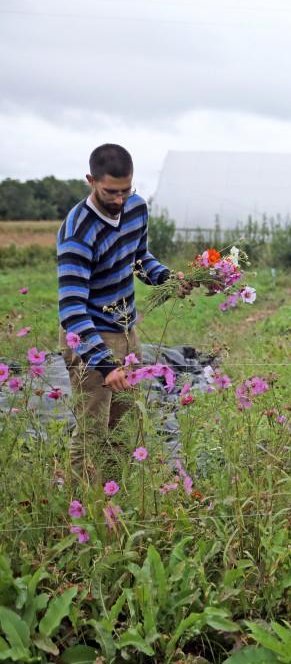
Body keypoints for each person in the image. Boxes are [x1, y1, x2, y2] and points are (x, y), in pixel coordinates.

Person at [57, 144, 190, 478]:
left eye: (125, 191)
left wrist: (167, 280)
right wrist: (103, 364)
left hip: (127, 331)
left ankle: (112, 500)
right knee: (92, 432)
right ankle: (82, 512)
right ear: (91, 180)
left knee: (123, 429)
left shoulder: (136, 208)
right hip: (89, 337)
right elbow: (72, 309)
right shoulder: (77, 232)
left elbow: (139, 258)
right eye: (110, 192)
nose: (119, 201)